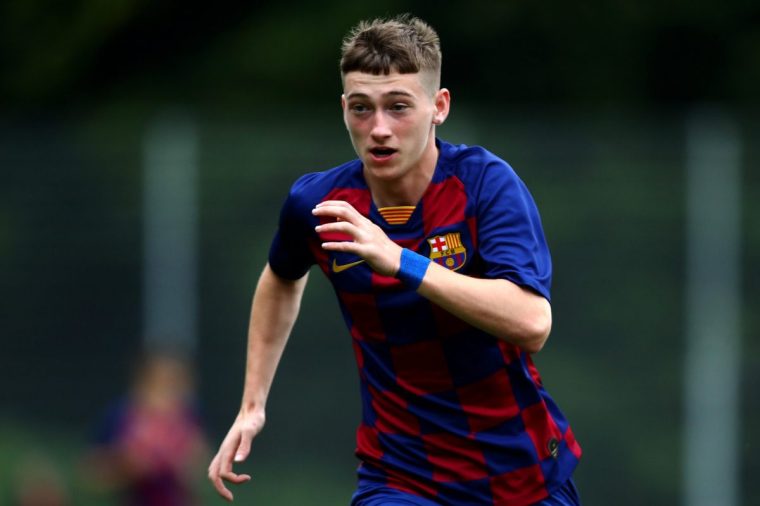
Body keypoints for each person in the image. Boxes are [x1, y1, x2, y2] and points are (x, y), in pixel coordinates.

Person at [208, 14, 582, 505]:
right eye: (362, 108)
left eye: (398, 107)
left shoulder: (485, 186)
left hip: (519, 474)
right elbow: (281, 278)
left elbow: (532, 321)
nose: (379, 129)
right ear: (343, 109)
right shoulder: (319, 205)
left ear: (439, 106)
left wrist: (401, 261)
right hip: (401, 477)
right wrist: (252, 404)